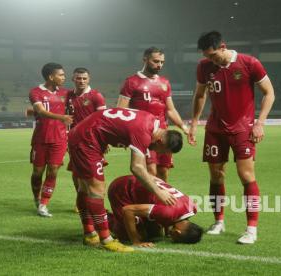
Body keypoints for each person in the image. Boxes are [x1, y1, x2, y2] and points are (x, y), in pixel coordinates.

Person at [188, 31, 275, 244]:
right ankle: (218, 221)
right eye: (208, 57)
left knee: (246, 176)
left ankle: (251, 229)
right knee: (216, 175)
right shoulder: (204, 67)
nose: (211, 60)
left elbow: (269, 93)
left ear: (223, 46)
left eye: (214, 56)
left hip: (243, 129)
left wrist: (260, 123)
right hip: (215, 129)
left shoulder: (249, 63)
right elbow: (200, 95)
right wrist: (193, 123)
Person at [68, 107, 183, 252]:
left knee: (84, 188)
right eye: (163, 151)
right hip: (87, 139)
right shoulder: (144, 133)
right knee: (96, 189)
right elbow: (137, 168)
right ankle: (106, 240)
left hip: (87, 134)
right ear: (160, 141)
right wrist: (159, 192)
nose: (156, 152)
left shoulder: (151, 120)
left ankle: (90, 234)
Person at [117, 47, 189, 182]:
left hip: (163, 134)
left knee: (163, 172)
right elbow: (121, 109)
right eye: (156, 61)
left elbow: (170, 110)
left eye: (162, 62)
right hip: (145, 134)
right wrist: (124, 134)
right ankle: (147, 201)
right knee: (150, 171)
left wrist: (183, 127)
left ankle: (160, 202)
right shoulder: (131, 82)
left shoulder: (164, 82)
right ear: (145, 59)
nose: (159, 65)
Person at [107, 175, 203, 247]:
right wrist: (136, 241)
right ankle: (102, 217)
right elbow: (128, 210)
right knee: (127, 235)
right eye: (174, 239)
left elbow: (171, 215)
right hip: (122, 188)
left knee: (153, 233)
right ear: (177, 232)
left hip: (142, 183)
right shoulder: (167, 213)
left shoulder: (192, 207)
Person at [29, 62, 73, 218]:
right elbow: (40, 111)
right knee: (37, 172)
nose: (63, 77)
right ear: (50, 76)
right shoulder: (35, 92)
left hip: (60, 138)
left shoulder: (66, 93)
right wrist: (62, 117)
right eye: (60, 75)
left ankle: (44, 204)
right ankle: (36, 197)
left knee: (53, 170)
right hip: (41, 138)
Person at [65, 67, 106, 201]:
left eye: (84, 78)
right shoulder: (68, 96)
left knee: (94, 170)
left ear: (89, 79)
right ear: (73, 79)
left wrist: (104, 139)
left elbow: (103, 119)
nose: (81, 81)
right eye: (78, 78)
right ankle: (80, 199)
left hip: (93, 140)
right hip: (74, 140)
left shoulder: (96, 96)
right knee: (76, 171)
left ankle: (95, 199)